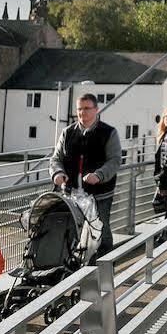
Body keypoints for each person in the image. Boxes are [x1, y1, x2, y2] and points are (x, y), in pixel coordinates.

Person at [50, 93, 121, 258]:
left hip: (99, 195)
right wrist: (57, 173)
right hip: (71, 194)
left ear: (96, 109)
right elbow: (56, 158)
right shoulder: (67, 132)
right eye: (79, 109)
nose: (82, 113)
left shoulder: (109, 132)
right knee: (71, 231)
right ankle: (75, 269)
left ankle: (105, 269)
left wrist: (99, 175)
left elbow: (115, 160)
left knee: (101, 231)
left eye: (87, 109)